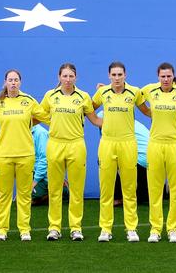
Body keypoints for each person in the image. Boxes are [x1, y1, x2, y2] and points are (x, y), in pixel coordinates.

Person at [0, 69, 49, 242]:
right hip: (3, 156)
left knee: (24, 194)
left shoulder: (28, 101)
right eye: (10, 80)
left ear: (20, 82)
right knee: (4, 195)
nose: (13, 83)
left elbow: (46, 117)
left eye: (16, 80)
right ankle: (2, 229)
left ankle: (24, 229)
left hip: (26, 155)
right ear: (5, 82)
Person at [40, 63, 103, 241]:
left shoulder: (83, 97)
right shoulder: (50, 96)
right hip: (55, 145)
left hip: (76, 145)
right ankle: (54, 228)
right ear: (59, 77)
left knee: (76, 190)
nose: (68, 80)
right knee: (54, 189)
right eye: (65, 76)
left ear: (76, 78)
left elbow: (96, 120)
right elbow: (38, 115)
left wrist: (115, 123)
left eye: (71, 76)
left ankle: (76, 228)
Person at [92, 61, 150, 243]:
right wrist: (98, 122)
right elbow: (88, 108)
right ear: (109, 76)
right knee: (106, 189)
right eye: (114, 75)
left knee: (129, 189)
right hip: (107, 144)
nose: (117, 78)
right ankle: (105, 229)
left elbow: (147, 111)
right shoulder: (102, 92)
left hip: (128, 144)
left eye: (120, 74)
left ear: (125, 75)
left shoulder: (135, 92)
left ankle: (131, 228)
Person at [141, 62, 176, 243]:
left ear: (173, 76)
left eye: (168, 76)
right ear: (158, 76)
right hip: (155, 145)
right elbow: (133, 97)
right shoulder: (149, 90)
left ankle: (173, 229)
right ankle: (155, 229)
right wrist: (150, 113)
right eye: (162, 76)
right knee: (154, 189)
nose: (165, 79)